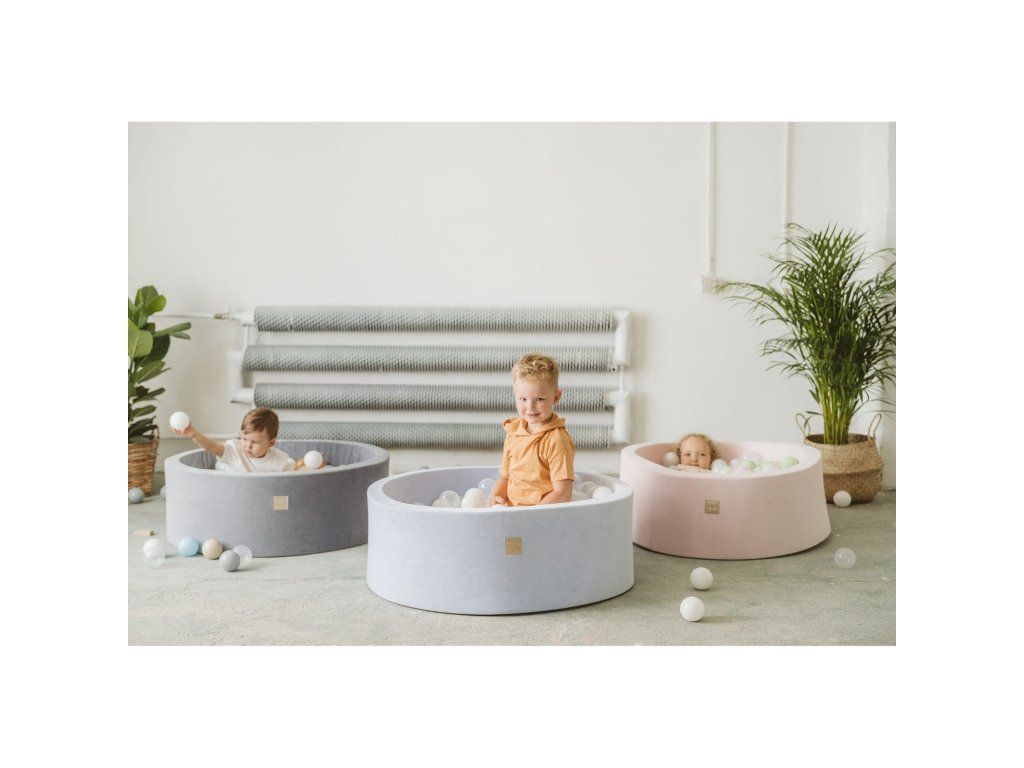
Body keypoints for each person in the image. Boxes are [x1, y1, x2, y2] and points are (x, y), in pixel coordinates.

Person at [488, 353, 575, 507]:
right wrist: (495, 498)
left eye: (539, 399)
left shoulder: (556, 440)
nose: (530, 407)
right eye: (523, 399)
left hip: (541, 514)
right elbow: (506, 477)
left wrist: (532, 515)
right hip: (511, 511)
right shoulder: (513, 432)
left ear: (556, 397)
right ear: (515, 395)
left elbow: (562, 492)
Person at [172, 407, 317, 472]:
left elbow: (296, 474)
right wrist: (194, 434)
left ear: (271, 443)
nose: (247, 445)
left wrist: (316, 466)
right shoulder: (233, 449)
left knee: (298, 465)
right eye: (244, 439)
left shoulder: (278, 461)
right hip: (233, 485)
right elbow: (211, 446)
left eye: (254, 442)